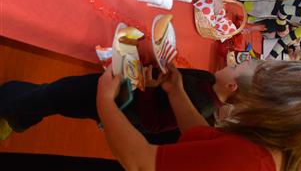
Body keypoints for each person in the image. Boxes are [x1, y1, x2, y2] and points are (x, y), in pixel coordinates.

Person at [97, 60, 301, 170]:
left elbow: (141, 163)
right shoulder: (275, 148)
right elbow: (206, 139)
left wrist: (105, 100)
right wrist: (176, 92)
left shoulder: (252, 160)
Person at [0, 61, 258, 143]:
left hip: (119, 104)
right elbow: (172, 79)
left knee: (58, 95)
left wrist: (145, 89)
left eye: (235, 66)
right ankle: (19, 114)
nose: (229, 64)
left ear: (231, 86)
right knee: (59, 94)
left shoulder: (200, 110)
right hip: (121, 85)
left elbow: (152, 124)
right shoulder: (207, 78)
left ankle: (13, 109)